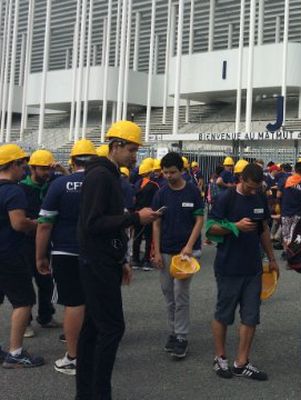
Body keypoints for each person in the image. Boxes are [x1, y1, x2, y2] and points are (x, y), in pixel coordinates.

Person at [76, 121, 159, 400]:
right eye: (132, 149)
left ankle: (87, 392)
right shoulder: (101, 176)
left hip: (102, 258)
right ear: (116, 146)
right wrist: (136, 218)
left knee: (93, 328)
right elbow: (93, 223)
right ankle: (99, 393)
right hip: (97, 260)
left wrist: (121, 256)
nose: (135, 156)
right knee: (111, 328)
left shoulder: (106, 174)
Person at [206, 163, 278, 381]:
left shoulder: (259, 197)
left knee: (251, 316)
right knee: (224, 314)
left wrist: (272, 258)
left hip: (253, 267)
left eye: (257, 187)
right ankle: (220, 358)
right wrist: (234, 226)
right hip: (229, 267)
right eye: (249, 187)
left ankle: (242, 362)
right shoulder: (226, 198)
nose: (253, 191)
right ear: (241, 179)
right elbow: (210, 228)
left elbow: (263, 229)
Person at [36, 139, 97, 375]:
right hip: (98, 252)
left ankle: (73, 357)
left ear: (72, 161)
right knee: (93, 302)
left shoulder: (60, 185)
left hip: (65, 250)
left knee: (73, 304)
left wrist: (40, 256)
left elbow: (44, 224)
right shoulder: (104, 183)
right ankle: (92, 352)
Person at [152, 152, 205, 360]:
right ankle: (173, 332)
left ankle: (182, 337)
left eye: (172, 172)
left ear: (181, 170)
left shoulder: (192, 191)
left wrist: (189, 246)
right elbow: (156, 224)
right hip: (165, 250)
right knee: (168, 293)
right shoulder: (161, 193)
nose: (168, 176)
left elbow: (199, 220)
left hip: (186, 252)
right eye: (165, 172)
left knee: (180, 293)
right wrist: (156, 251)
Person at [0, 144, 44, 369]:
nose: (25, 168)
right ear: (13, 165)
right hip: (9, 252)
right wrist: (34, 223)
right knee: (23, 300)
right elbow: (18, 223)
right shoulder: (13, 190)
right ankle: (15, 352)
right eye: (22, 163)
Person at [19, 150, 60, 337]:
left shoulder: (52, 183)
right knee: (26, 283)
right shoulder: (21, 188)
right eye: (43, 169)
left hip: (48, 240)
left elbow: (74, 183)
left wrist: (61, 169)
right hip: (26, 242)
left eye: (48, 169)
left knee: (47, 281)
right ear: (32, 168)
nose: (47, 173)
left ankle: (45, 316)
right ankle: (25, 322)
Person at [279, 161, 301, 253]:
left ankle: (286, 253)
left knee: (286, 235)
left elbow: (279, 195)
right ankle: (292, 256)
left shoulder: (285, 180)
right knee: (294, 235)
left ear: (295, 169)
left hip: (285, 212)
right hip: (298, 213)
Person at [132, 158, 160, 271]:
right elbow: (158, 200)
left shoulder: (137, 184)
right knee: (149, 238)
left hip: (137, 213)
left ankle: (135, 259)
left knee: (137, 237)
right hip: (149, 214)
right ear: (150, 172)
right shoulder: (154, 185)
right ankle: (147, 260)